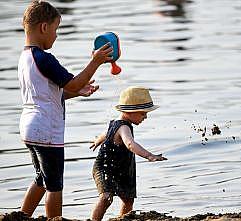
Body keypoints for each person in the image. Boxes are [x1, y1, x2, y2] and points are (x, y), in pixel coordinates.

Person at [18, 0, 113, 218]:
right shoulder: (45, 58)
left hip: (29, 127)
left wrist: (77, 91)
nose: (56, 35)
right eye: (56, 29)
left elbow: (50, 92)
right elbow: (71, 83)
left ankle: (21, 216)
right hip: (47, 130)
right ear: (44, 27)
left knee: (41, 178)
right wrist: (96, 62)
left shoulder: (25, 57)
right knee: (54, 184)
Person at [90, 86, 168, 221]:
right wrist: (149, 155)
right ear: (130, 112)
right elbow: (130, 144)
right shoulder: (123, 127)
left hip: (122, 168)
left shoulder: (118, 123)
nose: (146, 117)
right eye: (143, 113)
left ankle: (122, 218)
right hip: (106, 167)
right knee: (106, 197)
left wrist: (98, 140)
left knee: (128, 199)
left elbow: (106, 133)